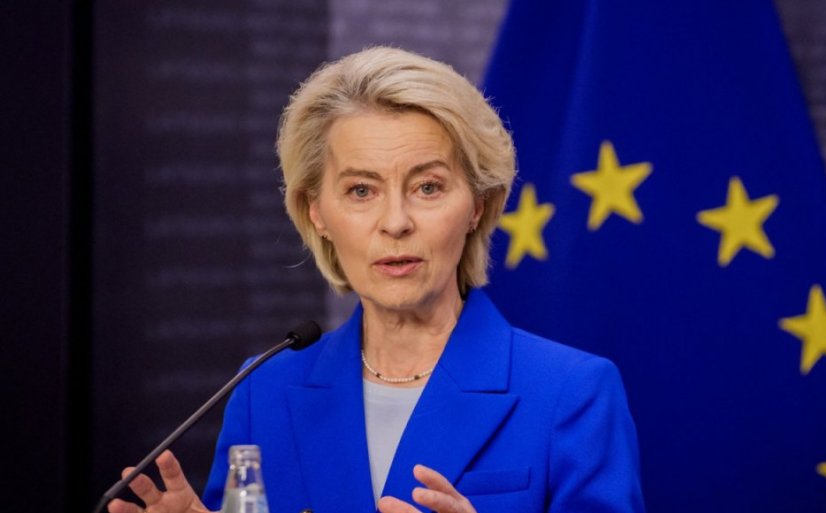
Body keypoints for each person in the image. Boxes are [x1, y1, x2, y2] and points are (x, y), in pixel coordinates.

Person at [108, 47, 645, 513]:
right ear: (316, 211)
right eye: (361, 191)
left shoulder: (571, 391)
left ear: (478, 205)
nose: (395, 222)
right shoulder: (262, 391)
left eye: (428, 187)